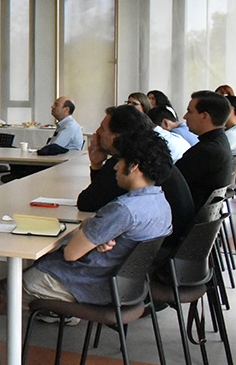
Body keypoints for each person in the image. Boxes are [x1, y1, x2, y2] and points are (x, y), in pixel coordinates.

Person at [25, 128, 173, 313]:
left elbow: (71, 253)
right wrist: (95, 238)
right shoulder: (161, 203)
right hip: (124, 286)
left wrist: (89, 231)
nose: (115, 167)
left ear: (134, 165)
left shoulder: (123, 209)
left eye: (119, 160)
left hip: (87, 284)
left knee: (6, 291)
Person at [78, 105, 193, 252]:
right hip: (170, 245)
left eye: (102, 128)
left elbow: (88, 203)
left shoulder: (128, 163)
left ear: (117, 136)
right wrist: (97, 165)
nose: (97, 132)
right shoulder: (152, 156)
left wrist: (96, 166)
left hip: (161, 250)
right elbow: (102, 197)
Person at [176, 90, 234, 210]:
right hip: (203, 219)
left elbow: (171, 183)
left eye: (190, 111)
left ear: (204, 116)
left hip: (185, 219)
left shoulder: (206, 151)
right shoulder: (220, 142)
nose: (185, 116)